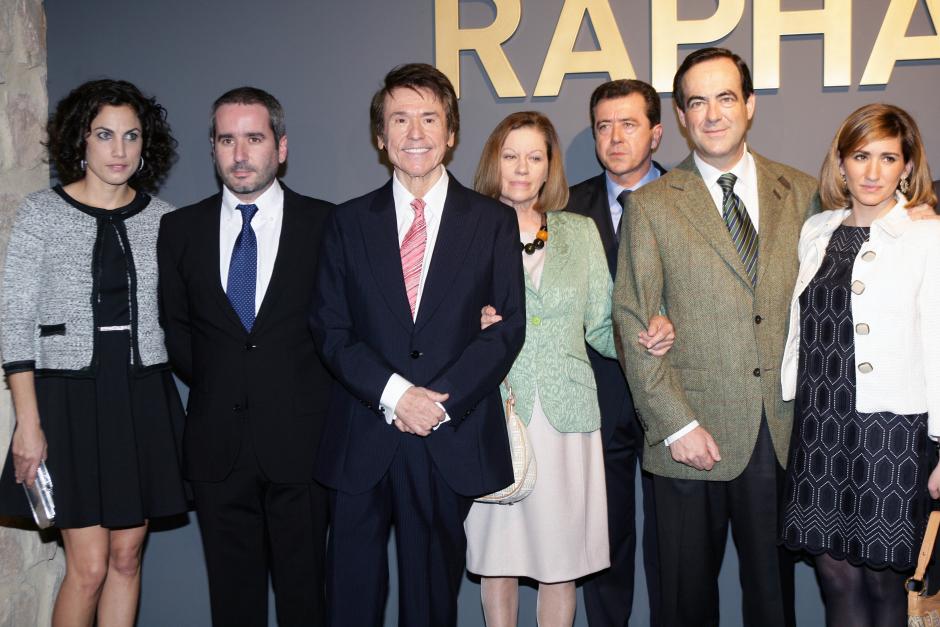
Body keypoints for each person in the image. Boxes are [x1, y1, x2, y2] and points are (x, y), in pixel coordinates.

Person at [310, 63, 526, 627]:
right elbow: (330, 329)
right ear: (381, 138)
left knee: (431, 604)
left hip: (445, 434)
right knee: (349, 600)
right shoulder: (347, 222)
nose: (414, 133)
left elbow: (506, 329)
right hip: (364, 432)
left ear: (451, 133)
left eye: (429, 118)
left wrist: (437, 402)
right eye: (399, 119)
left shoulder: (494, 223)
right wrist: (397, 395)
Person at [612, 47, 821, 627]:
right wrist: (674, 423)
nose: (711, 114)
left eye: (725, 97)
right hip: (687, 435)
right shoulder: (652, 205)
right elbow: (632, 318)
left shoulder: (802, 193)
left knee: (773, 603)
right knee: (682, 604)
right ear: (679, 116)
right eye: (696, 102)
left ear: (749, 105)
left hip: (778, 430)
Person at [0, 79, 186, 627]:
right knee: (88, 566)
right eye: (105, 135)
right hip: (67, 402)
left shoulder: (164, 219)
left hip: (142, 397)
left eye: (131, 136)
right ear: (80, 141)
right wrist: (27, 424)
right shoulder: (41, 214)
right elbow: (14, 323)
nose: (119, 150)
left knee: (127, 558)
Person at [157, 87, 333, 626]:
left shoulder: (327, 225)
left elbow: (339, 333)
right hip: (216, 449)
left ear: (280, 147)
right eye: (226, 139)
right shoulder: (179, 229)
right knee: (233, 607)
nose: (239, 154)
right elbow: (178, 331)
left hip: (302, 448)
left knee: (307, 603)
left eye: (253, 138)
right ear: (212, 148)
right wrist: (227, 382)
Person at [778, 103, 940, 627]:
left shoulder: (928, 236)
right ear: (841, 163)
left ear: (908, 167)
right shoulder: (817, 230)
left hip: (891, 433)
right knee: (835, 578)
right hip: (820, 428)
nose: (873, 172)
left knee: (882, 583)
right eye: (861, 156)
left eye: (888, 158)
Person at [566, 78, 667, 627]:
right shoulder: (565, 207)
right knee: (605, 538)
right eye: (604, 125)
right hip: (597, 400)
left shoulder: (690, 199)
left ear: (655, 133)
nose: (615, 136)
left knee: (675, 544)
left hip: (677, 399)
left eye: (628, 124)